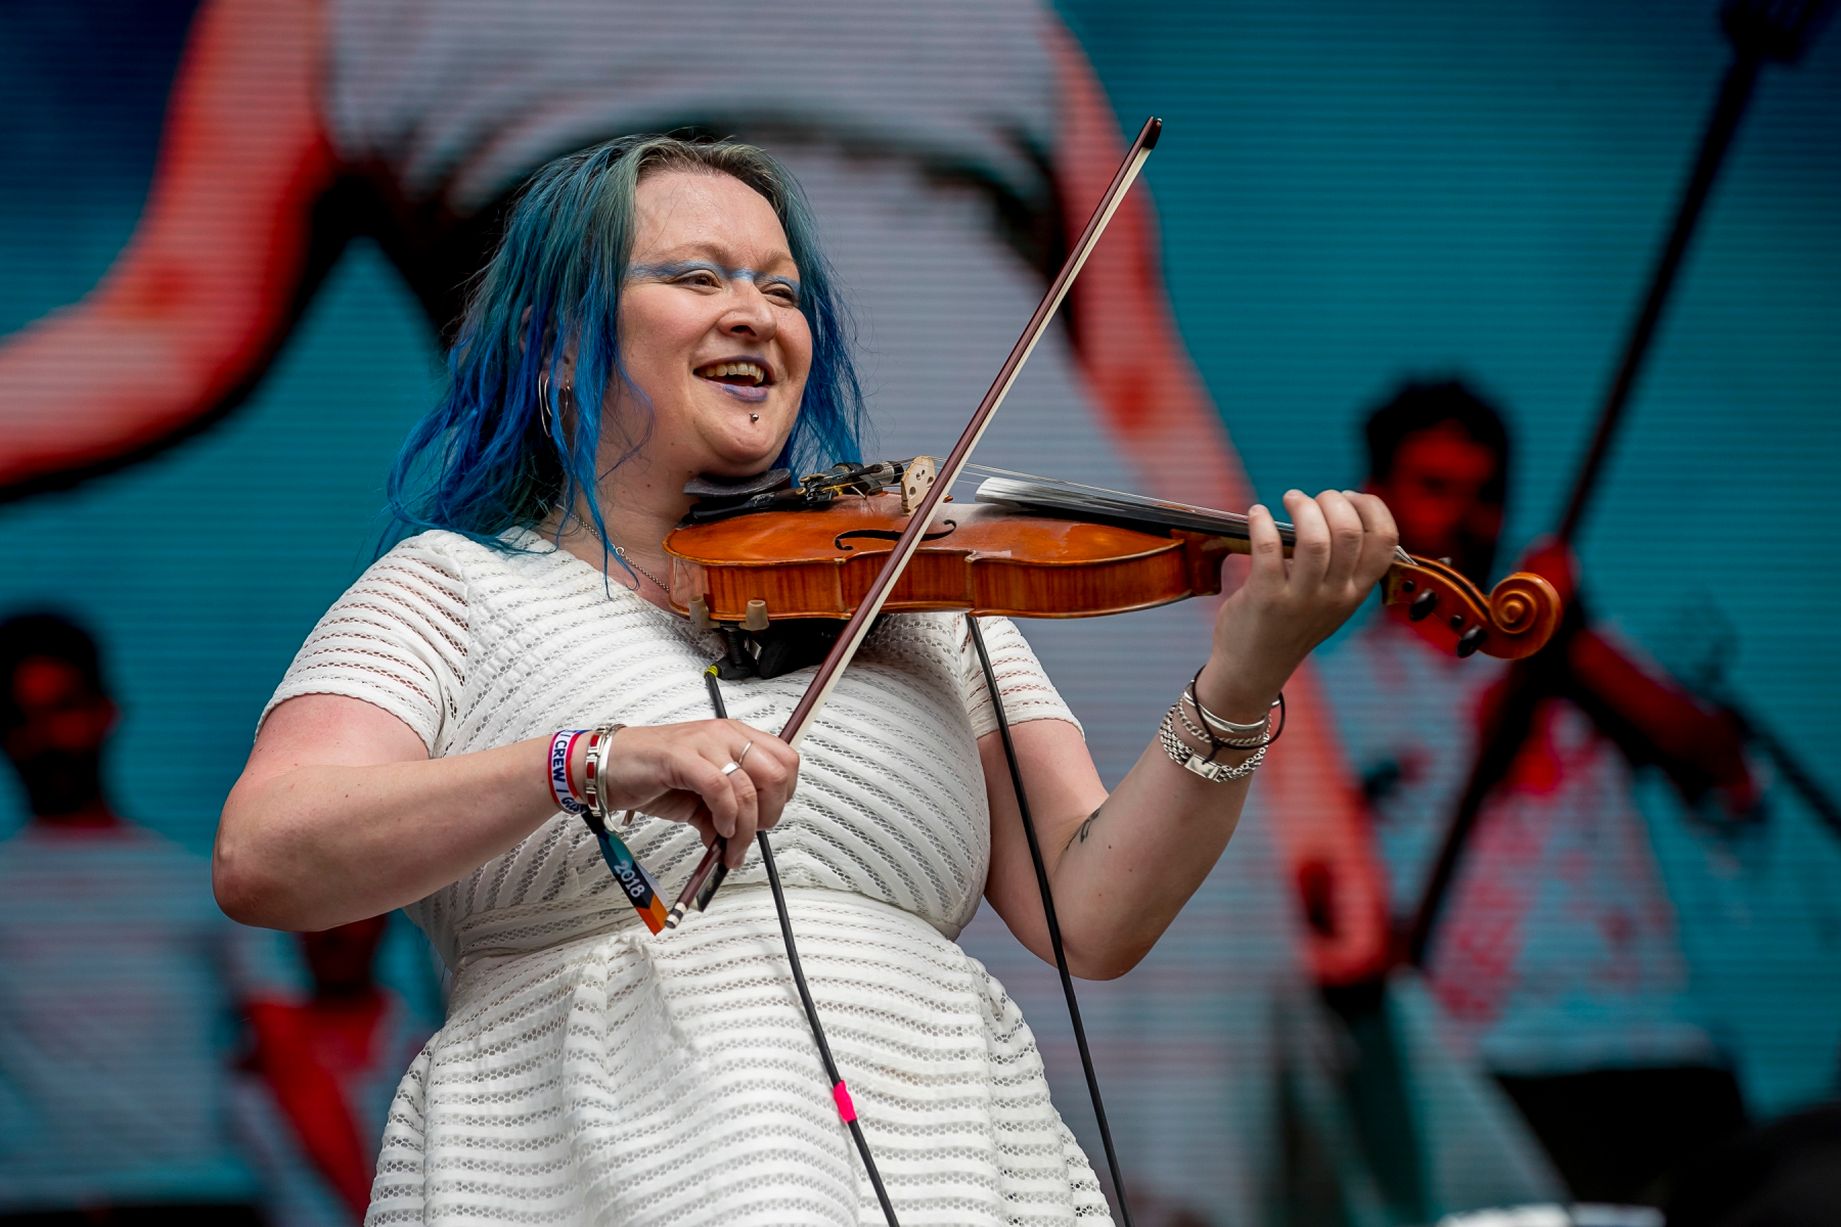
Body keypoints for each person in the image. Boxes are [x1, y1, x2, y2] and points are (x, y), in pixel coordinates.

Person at [213, 134, 1401, 1223]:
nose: (756, 315)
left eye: (781, 291)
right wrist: (589, 762)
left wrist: (1240, 679)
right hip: (579, 1167)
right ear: (556, 345)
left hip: (944, 1159)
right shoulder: (453, 590)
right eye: (697, 277)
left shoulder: (917, 600)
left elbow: (1089, 914)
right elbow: (267, 855)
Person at [1318, 378, 1756, 1205]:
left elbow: (1719, 771)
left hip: (1661, 1044)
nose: (1464, 516)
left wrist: (1565, 635)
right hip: (1488, 1061)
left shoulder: (1589, 650)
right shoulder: (1336, 698)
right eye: (1435, 487)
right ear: (1375, 499)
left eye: (1485, 494)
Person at [0, 612, 268, 1224]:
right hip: (35, 1204)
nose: (47, 737)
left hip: (192, 1199)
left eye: (63, 709)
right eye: (22, 717)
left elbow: (285, 1048)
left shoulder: (197, 882)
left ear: (106, 713)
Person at [234, 916, 432, 1227]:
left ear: (384, 920)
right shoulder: (256, 1043)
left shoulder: (425, 1045)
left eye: (353, 915)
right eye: (316, 912)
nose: (336, 932)